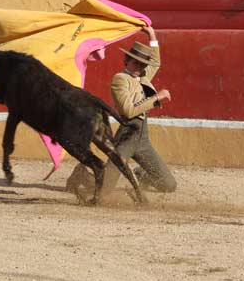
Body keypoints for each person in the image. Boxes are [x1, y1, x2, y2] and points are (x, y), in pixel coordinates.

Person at [66, 26, 177, 200]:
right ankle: (82, 176)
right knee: (104, 191)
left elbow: (156, 61)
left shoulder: (143, 76)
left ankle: (139, 175)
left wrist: (152, 35)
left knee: (168, 184)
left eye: (142, 64)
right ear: (126, 61)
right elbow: (128, 111)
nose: (139, 67)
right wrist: (156, 97)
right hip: (126, 138)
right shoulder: (120, 79)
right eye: (135, 62)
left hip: (142, 139)